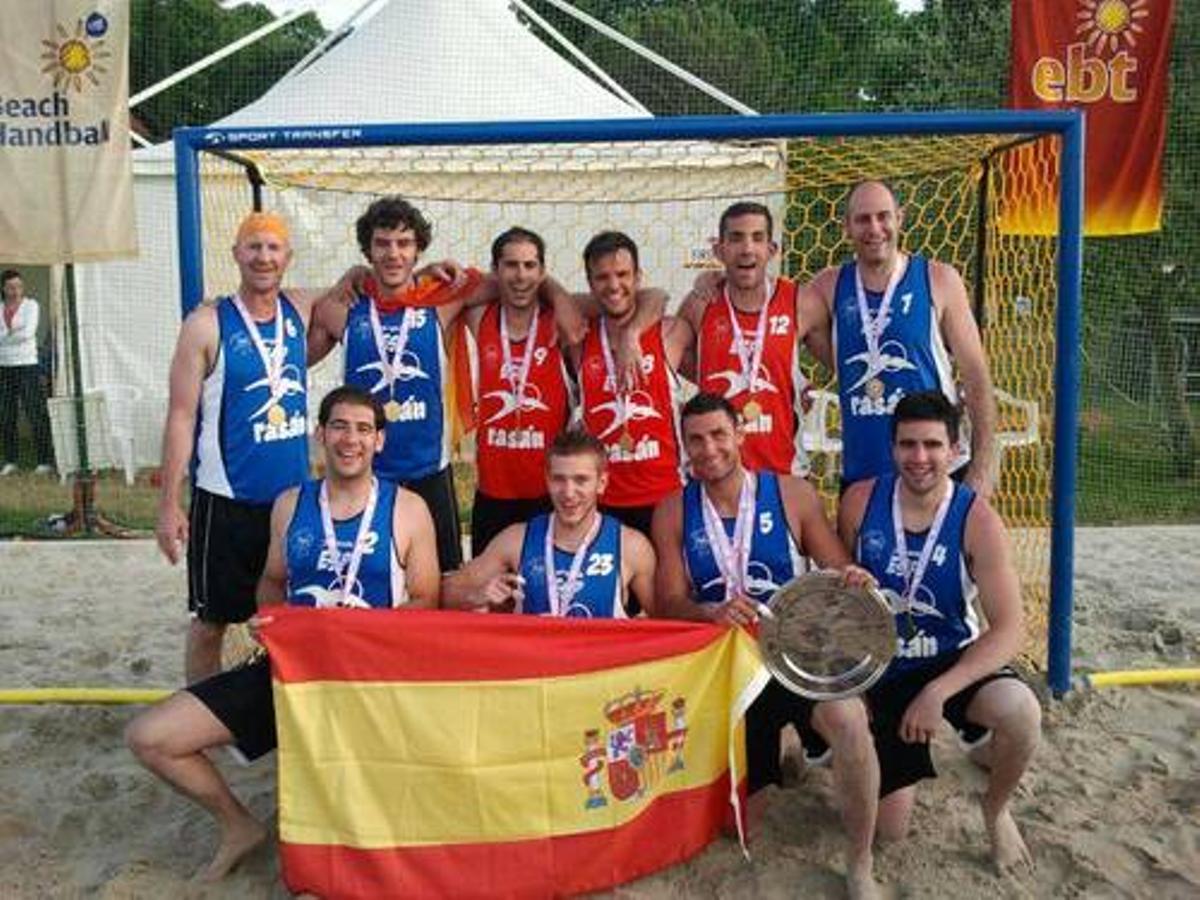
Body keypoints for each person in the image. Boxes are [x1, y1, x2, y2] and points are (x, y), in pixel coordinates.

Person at [127, 385, 440, 882]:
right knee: (151, 738)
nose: (350, 439)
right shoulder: (290, 504)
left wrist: (362, 638)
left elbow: (427, 600)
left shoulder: (408, 510)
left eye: (363, 429)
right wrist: (269, 621)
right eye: (339, 426)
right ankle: (238, 826)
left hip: (367, 686)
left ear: (380, 440)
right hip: (292, 675)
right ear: (319, 434)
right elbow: (272, 582)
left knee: (343, 850)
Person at [652, 392, 882, 900]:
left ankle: (860, 863)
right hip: (727, 667)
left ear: (740, 434)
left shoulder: (792, 494)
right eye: (696, 439)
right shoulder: (671, 511)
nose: (708, 448)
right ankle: (784, 746)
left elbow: (833, 567)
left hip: (794, 653)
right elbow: (667, 602)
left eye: (718, 434)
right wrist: (708, 611)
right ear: (683, 447)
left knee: (848, 720)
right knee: (739, 828)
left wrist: (850, 576)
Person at [838, 390, 1040, 872]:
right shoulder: (860, 501)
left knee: (1022, 712)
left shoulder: (977, 519)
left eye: (932, 445)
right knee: (891, 833)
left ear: (955, 449)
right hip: (883, 666)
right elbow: (840, 592)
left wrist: (938, 691)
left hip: (950, 661)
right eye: (908, 445)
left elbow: (1011, 628)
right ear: (892, 448)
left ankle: (996, 809)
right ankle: (856, 755)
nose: (920, 457)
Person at [156, 212, 349, 683]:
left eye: (273, 248)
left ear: (288, 258)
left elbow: (350, 292)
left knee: (290, 616)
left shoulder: (300, 308)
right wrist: (168, 504)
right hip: (226, 501)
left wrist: (356, 275)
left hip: (291, 504)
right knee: (210, 622)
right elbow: (181, 416)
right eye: (254, 247)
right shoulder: (206, 324)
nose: (264, 257)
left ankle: (283, 713)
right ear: (237, 254)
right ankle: (201, 715)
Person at [800, 180, 997, 496]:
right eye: (863, 219)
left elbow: (976, 376)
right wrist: (717, 277)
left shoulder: (938, 279)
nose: (874, 228)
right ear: (847, 227)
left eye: (883, 216)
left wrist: (984, 468)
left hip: (937, 473)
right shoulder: (828, 286)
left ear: (900, 218)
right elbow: (771, 325)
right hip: (865, 479)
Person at [442, 427, 655, 618]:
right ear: (547, 479)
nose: (568, 493)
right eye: (559, 479)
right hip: (533, 662)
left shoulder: (630, 546)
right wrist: (478, 596)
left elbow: (670, 625)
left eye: (581, 480)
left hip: (602, 663)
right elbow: (445, 594)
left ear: (601, 483)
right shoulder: (516, 539)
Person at [573, 231, 692, 539]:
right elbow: (555, 300)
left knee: (668, 588)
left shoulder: (670, 332)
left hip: (665, 498)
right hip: (602, 501)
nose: (614, 285)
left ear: (639, 277)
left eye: (623, 274)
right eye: (602, 277)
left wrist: (632, 333)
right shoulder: (577, 340)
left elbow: (662, 296)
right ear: (589, 283)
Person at [463, 227, 572, 555]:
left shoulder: (563, 319)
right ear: (495, 271)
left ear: (542, 271)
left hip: (550, 496)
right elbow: (439, 290)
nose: (520, 276)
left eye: (530, 266)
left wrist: (561, 296)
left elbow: (646, 298)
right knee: (490, 597)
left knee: (548, 595)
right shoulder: (479, 316)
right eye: (510, 265)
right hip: (493, 496)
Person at [678, 202, 808, 476]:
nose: (747, 248)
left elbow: (839, 353)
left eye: (757, 238)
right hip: (714, 474)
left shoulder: (798, 301)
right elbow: (675, 360)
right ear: (719, 250)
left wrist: (801, 384)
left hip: (782, 473)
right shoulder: (700, 304)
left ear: (772, 250)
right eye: (736, 238)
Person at [0, 269, 54, 476]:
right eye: (11, 287)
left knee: (35, 413)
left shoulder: (31, 306)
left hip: (27, 365)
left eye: (19, 287)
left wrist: (6, 335)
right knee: (7, 415)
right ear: (3, 289)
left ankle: (44, 461)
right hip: (4, 367)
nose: (15, 291)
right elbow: (16, 334)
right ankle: (11, 460)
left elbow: (29, 333)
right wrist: (13, 332)